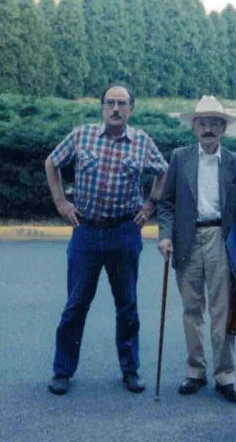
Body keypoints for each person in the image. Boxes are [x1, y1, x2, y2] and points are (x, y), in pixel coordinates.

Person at [45, 82, 168, 396]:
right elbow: (52, 162)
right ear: (102, 107)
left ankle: (130, 370)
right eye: (110, 103)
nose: (116, 109)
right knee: (76, 305)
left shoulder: (141, 142)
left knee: (127, 305)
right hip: (86, 231)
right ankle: (62, 371)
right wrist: (61, 202)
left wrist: (151, 204)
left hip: (124, 232)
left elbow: (163, 171)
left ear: (131, 109)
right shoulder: (81, 135)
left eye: (122, 104)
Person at [157, 95, 236, 403]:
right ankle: (195, 371)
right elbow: (167, 203)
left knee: (222, 310)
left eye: (215, 123)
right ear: (194, 128)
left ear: (223, 129)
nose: (208, 129)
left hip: (220, 240)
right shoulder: (179, 157)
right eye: (203, 123)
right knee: (191, 309)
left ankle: (225, 375)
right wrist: (165, 235)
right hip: (187, 240)